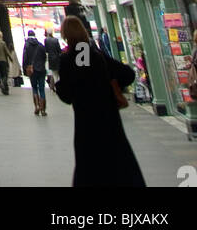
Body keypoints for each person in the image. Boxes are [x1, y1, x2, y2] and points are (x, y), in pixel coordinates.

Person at [55, 14, 145, 187]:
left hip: (85, 120)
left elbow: (66, 95)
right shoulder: (97, 55)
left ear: (66, 35)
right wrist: (109, 85)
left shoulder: (66, 60)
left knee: (89, 163)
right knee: (118, 159)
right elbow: (128, 74)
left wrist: (60, 86)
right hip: (108, 117)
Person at [22, 29, 48, 116]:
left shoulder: (27, 45)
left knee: (34, 88)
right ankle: (43, 109)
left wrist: (25, 69)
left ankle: (37, 106)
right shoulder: (40, 45)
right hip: (41, 69)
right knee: (42, 89)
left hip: (32, 70)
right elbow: (44, 57)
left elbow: (25, 58)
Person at [0, 30, 14, 94]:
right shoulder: (2, 43)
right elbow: (6, 51)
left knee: (0, 74)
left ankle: (3, 87)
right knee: (5, 74)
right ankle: (3, 84)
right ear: (1, 35)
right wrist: (11, 58)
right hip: (3, 60)